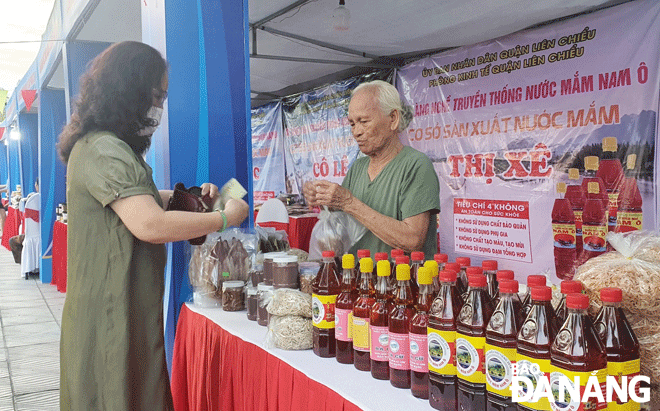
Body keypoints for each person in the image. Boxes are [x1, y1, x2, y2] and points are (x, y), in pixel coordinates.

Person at [56, 41, 249, 411]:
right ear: (129, 90)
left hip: (125, 306)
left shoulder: (108, 146)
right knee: (116, 396)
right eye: (156, 96)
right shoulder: (103, 150)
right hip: (111, 311)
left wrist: (190, 198)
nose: (158, 107)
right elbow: (148, 223)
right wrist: (224, 217)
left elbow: (139, 198)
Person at [303, 80, 440, 258]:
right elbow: (343, 223)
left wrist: (348, 203)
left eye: (364, 121)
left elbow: (412, 240)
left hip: (400, 282)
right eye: (352, 124)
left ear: (393, 119)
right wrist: (324, 200)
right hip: (360, 280)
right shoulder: (358, 167)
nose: (356, 132)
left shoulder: (416, 165)